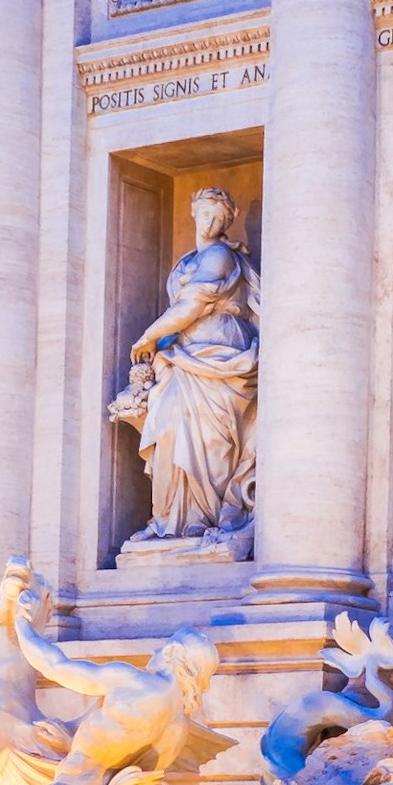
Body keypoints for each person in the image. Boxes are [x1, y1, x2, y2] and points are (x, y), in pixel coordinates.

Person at [109, 191, 260, 552]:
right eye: (206, 214)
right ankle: (168, 520)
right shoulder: (187, 260)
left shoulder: (220, 256)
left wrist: (149, 336)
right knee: (169, 426)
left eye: (220, 219)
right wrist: (162, 345)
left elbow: (192, 305)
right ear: (194, 213)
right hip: (182, 354)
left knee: (211, 437)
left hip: (220, 351)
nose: (211, 223)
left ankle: (203, 518)